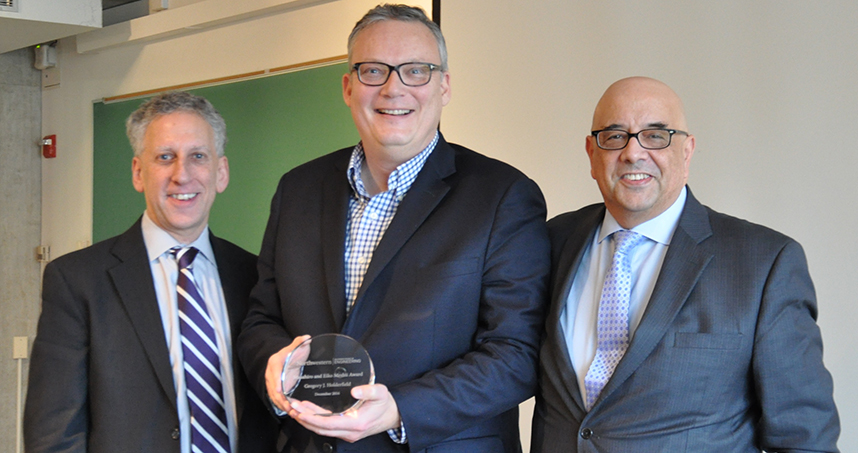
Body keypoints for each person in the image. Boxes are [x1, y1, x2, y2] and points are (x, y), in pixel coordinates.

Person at [237, 4, 550, 453]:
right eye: (372, 71)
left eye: (416, 71)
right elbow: (261, 320)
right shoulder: (297, 190)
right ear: (348, 87)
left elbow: (515, 354)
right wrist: (273, 364)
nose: (393, 87)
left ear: (444, 86)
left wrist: (402, 408)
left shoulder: (503, 196)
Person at [531, 76, 840, 452]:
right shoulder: (549, 242)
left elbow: (804, 437)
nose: (633, 153)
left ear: (687, 151)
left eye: (656, 136)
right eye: (614, 136)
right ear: (591, 154)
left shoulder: (763, 264)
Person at [24, 91, 277, 452]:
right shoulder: (77, 280)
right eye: (164, 157)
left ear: (220, 173)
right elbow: (54, 434)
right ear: (138, 172)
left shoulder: (254, 276)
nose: (182, 175)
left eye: (198, 157)